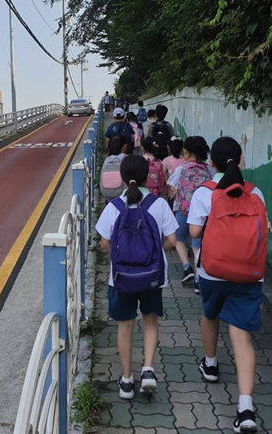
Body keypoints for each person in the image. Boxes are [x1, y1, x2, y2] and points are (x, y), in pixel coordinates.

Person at [188, 136, 266, 434]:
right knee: (242, 336)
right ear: (241, 159)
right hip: (249, 272)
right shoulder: (254, 191)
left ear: (211, 162)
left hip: (213, 270)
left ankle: (210, 364)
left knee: (210, 315)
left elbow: (194, 230)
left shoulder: (205, 192)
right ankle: (245, 408)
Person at [95, 154, 177, 399]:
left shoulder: (114, 207)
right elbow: (172, 240)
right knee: (150, 319)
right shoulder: (158, 204)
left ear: (121, 177)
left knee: (125, 326)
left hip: (121, 277)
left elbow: (103, 243)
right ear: (147, 177)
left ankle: (127, 380)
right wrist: (151, 253)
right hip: (152, 275)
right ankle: (149, 370)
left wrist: (124, 255)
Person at [167, 136, 212, 293]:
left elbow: (172, 187)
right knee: (197, 246)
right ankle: (199, 279)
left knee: (178, 239)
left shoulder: (182, 169)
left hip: (183, 211)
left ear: (185, 151)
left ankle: (187, 267)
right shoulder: (208, 170)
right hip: (201, 215)